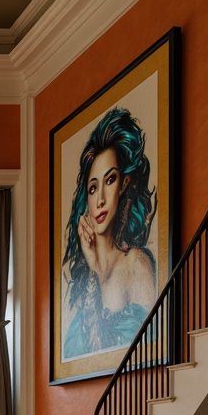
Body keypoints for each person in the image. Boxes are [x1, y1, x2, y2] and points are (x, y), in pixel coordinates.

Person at [61, 107, 159, 359]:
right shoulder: (80, 282)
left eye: (110, 180)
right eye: (93, 188)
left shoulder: (135, 264)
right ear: (87, 198)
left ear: (124, 184)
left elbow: (142, 354)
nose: (101, 198)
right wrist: (93, 269)